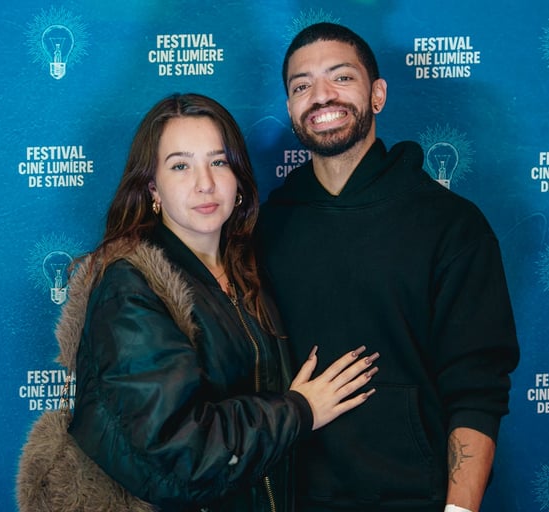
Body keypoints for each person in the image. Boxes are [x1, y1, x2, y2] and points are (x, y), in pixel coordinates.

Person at [62, 93, 379, 511]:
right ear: (153, 188)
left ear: (238, 179)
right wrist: (301, 410)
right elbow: (181, 452)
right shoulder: (131, 287)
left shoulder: (249, 270)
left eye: (218, 162)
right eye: (180, 166)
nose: (205, 183)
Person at [255, 23, 520, 512]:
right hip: (293, 498)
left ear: (377, 94)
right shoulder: (267, 228)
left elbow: (478, 389)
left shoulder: (451, 225)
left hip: (415, 497)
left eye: (341, 77)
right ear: (290, 108)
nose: (321, 95)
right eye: (301, 85)